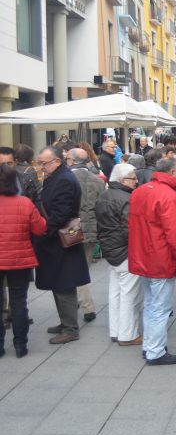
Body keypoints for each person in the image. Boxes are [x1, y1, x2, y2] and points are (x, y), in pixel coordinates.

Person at [128, 157, 176, 366]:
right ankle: (155, 351)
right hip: (160, 258)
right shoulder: (168, 196)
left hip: (143, 255)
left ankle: (151, 346)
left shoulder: (140, 190)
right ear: (173, 172)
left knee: (150, 305)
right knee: (160, 308)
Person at [36, 146, 91, 344]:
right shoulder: (57, 176)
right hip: (55, 240)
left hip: (60, 240)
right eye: (40, 163)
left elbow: (60, 214)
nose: (41, 167)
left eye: (45, 163)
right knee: (57, 283)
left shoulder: (64, 180)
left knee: (64, 284)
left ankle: (70, 328)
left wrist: (42, 231)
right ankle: (65, 322)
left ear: (57, 161)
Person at [0, 163, 47, 358]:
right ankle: (20, 345)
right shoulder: (25, 203)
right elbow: (40, 228)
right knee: (19, 302)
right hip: (20, 259)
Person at [95, 164, 143, 346]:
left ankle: (116, 331)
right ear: (122, 180)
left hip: (110, 249)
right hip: (125, 251)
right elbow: (130, 228)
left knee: (115, 293)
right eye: (133, 178)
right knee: (129, 294)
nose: (136, 181)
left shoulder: (104, 196)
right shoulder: (128, 198)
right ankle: (127, 334)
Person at [68, 148, 105, 323]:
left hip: (70, 229)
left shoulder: (66, 179)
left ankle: (87, 306)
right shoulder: (97, 180)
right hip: (91, 229)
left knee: (75, 269)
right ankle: (78, 301)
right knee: (83, 267)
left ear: (71, 161)